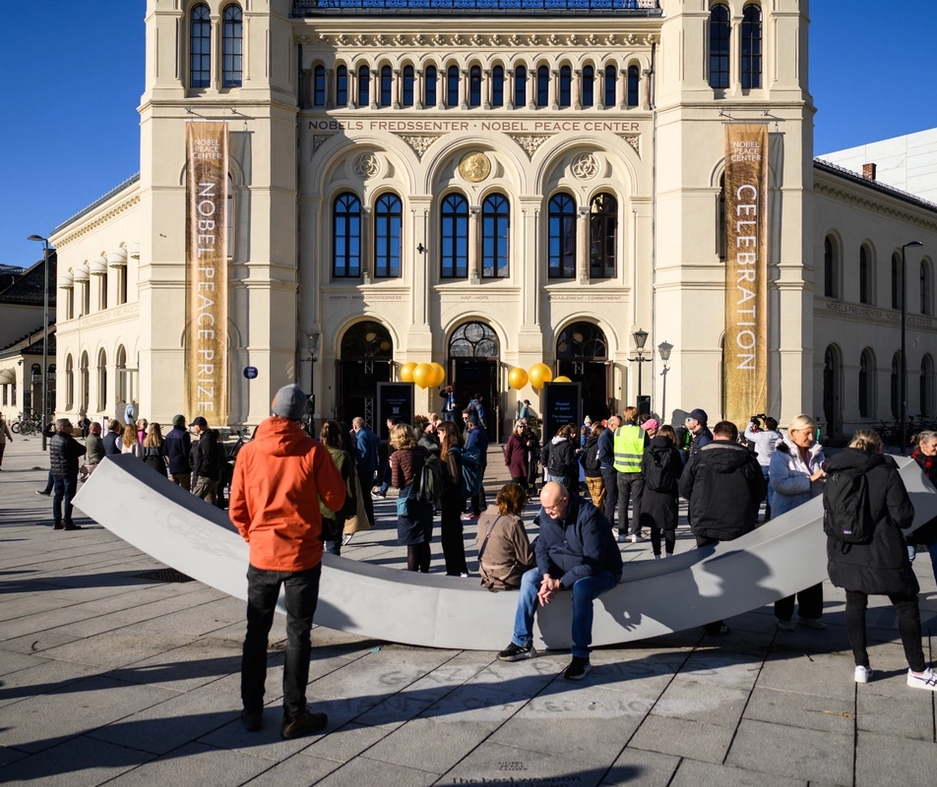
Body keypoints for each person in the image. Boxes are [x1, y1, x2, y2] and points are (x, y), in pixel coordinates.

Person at [229, 384, 346, 738]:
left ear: (272, 408)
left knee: (256, 634)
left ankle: (251, 709)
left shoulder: (249, 452)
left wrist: (254, 536)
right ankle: (294, 714)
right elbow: (336, 499)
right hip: (302, 555)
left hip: (262, 555)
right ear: (302, 416)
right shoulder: (313, 450)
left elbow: (236, 508)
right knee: (298, 635)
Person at [823, 430, 937, 690]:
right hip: (883, 550)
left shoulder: (834, 470)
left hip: (845, 550)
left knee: (855, 603)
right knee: (906, 604)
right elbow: (903, 517)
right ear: (878, 449)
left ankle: (861, 665)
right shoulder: (886, 472)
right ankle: (917, 670)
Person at [496, 482, 622, 681]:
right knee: (529, 578)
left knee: (581, 590)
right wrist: (546, 576)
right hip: (560, 566)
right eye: (544, 508)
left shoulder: (589, 517)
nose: (547, 512)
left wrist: (559, 583)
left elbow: (593, 564)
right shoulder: (547, 514)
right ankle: (522, 642)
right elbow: (541, 549)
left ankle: (581, 656)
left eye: (552, 507)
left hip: (602, 569)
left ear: (565, 500)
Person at [679, 420, 766, 636]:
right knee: (729, 570)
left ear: (715, 436)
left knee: (707, 570)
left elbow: (683, 488)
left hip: (704, 521)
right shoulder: (747, 460)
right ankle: (721, 612)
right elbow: (760, 493)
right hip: (737, 524)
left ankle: (711, 617)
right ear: (736, 438)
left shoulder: (699, 457)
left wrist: (699, 500)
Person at [770, 414, 826, 632]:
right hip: (788, 518)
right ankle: (783, 616)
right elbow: (779, 484)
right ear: (793, 433)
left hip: (812, 517)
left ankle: (809, 614)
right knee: (788, 568)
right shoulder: (781, 455)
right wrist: (811, 479)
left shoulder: (817, 453)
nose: (811, 437)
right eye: (807, 433)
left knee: (812, 567)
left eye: (813, 432)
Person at [389, 423, 434, 573]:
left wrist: (391, 467)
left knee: (412, 542)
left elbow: (396, 483)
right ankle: (426, 572)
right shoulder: (422, 450)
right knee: (423, 539)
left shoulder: (397, 456)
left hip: (408, 499)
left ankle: (413, 574)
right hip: (424, 497)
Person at [476, 482, 535, 590]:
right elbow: (526, 559)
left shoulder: (483, 518)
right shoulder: (513, 522)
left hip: (486, 573)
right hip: (508, 576)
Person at [639, 424, 684, 559]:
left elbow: (643, 470)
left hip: (651, 492)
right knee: (669, 526)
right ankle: (669, 555)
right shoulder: (674, 452)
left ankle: (657, 555)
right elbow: (679, 473)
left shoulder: (648, 450)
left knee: (655, 526)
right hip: (668, 493)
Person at [319, 419, 358, 557]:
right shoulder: (342, 455)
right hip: (335, 507)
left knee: (314, 547)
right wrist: (351, 509)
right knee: (333, 546)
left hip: (315, 507)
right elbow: (349, 485)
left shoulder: (313, 453)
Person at [437, 420, 468, 576]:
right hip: (457, 500)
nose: (438, 435)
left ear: (446, 434)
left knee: (449, 536)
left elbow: (455, 478)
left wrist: (444, 485)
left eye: (440, 432)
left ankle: (453, 569)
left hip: (451, 500)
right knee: (456, 534)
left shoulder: (451, 453)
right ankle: (460, 567)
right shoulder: (458, 449)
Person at [613, 406, 647, 544]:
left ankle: (622, 533)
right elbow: (647, 451)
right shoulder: (641, 433)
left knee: (622, 503)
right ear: (636, 416)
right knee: (637, 503)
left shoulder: (618, 432)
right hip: (637, 471)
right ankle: (636, 533)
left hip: (621, 470)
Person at [908, 431, 937, 578]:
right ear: (922, 445)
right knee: (908, 558)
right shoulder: (910, 465)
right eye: (934, 445)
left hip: (933, 520)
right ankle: (905, 595)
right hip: (912, 520)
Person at [49, 418, 86, 531]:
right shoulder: (67, 440)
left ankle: (56, 521)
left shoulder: (54, 438)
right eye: (70, 425)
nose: (72, 427)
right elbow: (82, 450)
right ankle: (68, 521)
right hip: (68, 471)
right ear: (64, 428)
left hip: (56, 471)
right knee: (69, 496)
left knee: (58, 496)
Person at [744, 415, 782, 520]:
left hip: (761, 466)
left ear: (765, 426)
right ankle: (769, 516)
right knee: (771, 494)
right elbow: (774, 430)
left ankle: (755, 516)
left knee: (757, 493)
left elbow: (747, 433)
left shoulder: (762, 436)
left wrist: (752, 422)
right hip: (774, 465)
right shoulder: (778, 435)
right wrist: (766, 421)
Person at [352, 416, 380, 528]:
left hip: (364, 468)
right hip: (371, 466)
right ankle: (370, 519)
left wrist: (357, 464)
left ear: (355, 426)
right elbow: (377, 440)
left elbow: (362, 454)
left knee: (364, 495)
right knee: (366, 494)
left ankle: (368, 519)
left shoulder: (361, 436)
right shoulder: (369, 433)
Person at [190, 416, 222, 503]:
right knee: (210, 501)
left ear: (199, 426)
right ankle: (211, 516)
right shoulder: (208, 437)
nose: (193, 428)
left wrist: (202, 472)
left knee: (194, 500)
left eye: (194, 426)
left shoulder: (206, 439)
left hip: (207, 476)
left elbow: (207, 458)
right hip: (212, 474)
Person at [597, 414, 620, 532]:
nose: (620, 428)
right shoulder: (605, 436)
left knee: (613, 496)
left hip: (612, 468)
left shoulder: (613, 434)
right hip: (608, 469)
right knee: (611, 496)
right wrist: (615, 462)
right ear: (611, 425)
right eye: (618, 425)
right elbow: (603, 456)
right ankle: (609, 523)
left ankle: (610, 521)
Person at [464, 414, 489, 519]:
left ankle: (476, 509)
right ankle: (481, 507)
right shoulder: (482, 433)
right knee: (478, 485)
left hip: (475, 463)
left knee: (475, 486)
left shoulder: (474, 434)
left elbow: (470, 449)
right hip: (482, 461)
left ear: (470, 424)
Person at [542, 423, 578, 492]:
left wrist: (545, 465)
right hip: (561, 473)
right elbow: (569, 462)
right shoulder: (567, 445)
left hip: (550, 472)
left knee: (551, 494)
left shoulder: (552, 442)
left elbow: (543, 452)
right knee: (560, 495)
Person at [581, 423, 606, 510]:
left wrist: (586, 468)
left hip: (588, 474)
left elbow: (582, 458)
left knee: (594, 497)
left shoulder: (588, 443)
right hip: (598, 473)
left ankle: (602, 517)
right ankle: (595, 517)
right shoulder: (601, 443)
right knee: (598, 499)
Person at [164, 414, 193, 490]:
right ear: (182, 423)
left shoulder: (168, 435)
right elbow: (186, 452)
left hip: (172, 467)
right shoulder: (184, 435)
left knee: (173, 491)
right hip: (183, 467)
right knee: (185, 490)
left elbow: (165, 451)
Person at [504, 419, 531, 488]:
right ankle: (507, 489)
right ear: (517, 427)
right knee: (517, 478)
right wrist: (507, 461)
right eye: (520, 427)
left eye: (523, 427)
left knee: (524, 480)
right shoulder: (513, 437)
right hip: (515, 462)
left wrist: (529, 445)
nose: (522, 428)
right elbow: (508, 450)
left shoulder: (525, 437)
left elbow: (527, 448)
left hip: (524, 462)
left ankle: (523, 495)